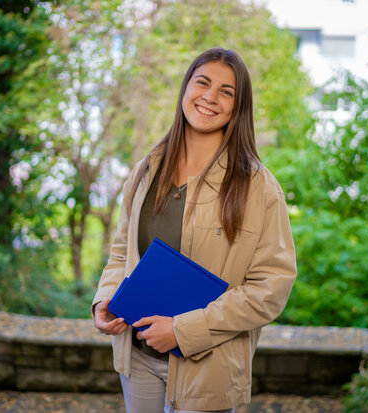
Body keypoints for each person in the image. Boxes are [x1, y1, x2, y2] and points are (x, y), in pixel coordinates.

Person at [92, 47, 297, 413]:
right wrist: (105, 298)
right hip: (137, 355)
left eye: (226, 91)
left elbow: (271, 288)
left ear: (238, 106)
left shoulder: (257, 187)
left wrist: (183, 331)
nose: (209, 97)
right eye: (202, 83)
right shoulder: (146, 170)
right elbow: (122, 252)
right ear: (186, 87)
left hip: (209, 366)